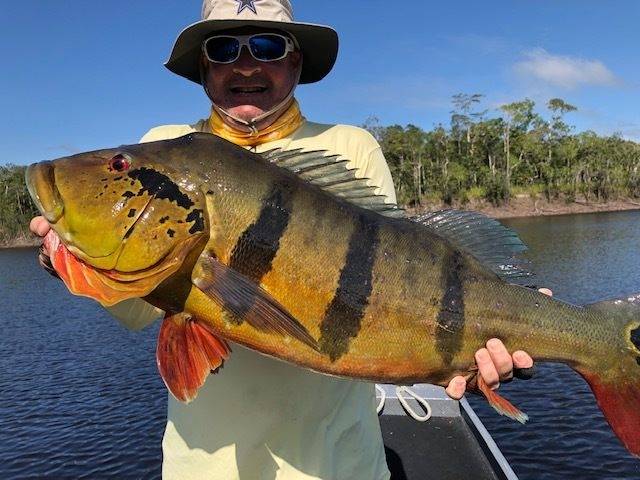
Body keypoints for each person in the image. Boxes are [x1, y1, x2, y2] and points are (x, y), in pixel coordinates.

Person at [30, 1, 543, 478]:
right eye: (224, 49)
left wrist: (471, 351)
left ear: (295, 64)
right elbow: (139, 309)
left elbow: (393, 299)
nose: (247, 65)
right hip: (205, 467)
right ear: (204, 69)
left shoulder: (349, 146)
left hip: (340, 461)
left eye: (269, 47)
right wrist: (75, 260)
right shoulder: (161, 150)